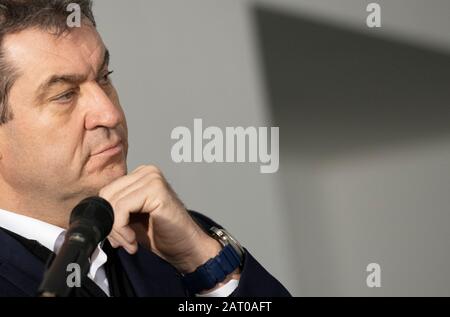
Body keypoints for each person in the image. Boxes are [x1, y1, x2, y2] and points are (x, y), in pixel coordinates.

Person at [0, 0, 290, 297]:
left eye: (104, 77)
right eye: (64, 95)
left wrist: (207, 265)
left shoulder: (177, 238)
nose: (109, 113)